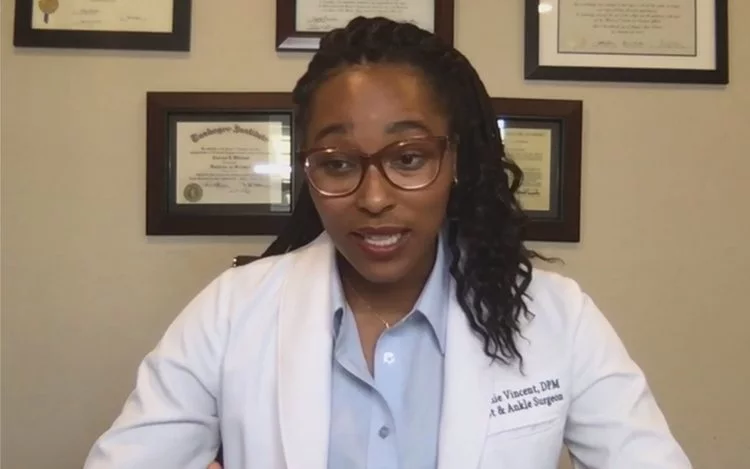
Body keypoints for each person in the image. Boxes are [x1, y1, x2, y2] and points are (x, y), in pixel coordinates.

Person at [83, 16, 692, 469]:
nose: (374, 198)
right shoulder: (231, 311)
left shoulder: (556, 317)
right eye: (338, 162)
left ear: (457, 160)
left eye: (408, 157)